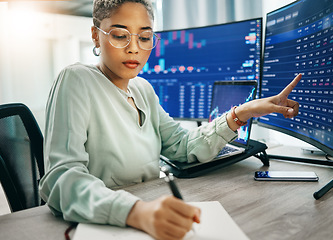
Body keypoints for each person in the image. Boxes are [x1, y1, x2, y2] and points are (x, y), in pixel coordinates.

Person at [39, 0, 301, 239]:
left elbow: (183, 147)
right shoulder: (76, 80)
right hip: (108, 224)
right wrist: (137, 212)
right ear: (96, 35)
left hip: (149, 214)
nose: (134, 48)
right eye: (120, 35)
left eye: (144, 37)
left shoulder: (143, 89)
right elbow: (61, 179)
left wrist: (241, 112)